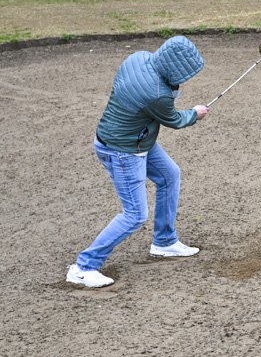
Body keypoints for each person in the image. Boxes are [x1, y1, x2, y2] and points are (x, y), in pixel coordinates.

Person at [66, 36, 210, 288]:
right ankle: (84, 266)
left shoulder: (139, 57)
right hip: (123, 151)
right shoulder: (157, 95)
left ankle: (164, 242)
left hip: (131, 139)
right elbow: (175, 119)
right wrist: (194, 114)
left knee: (169, 175)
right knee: (134, 215)